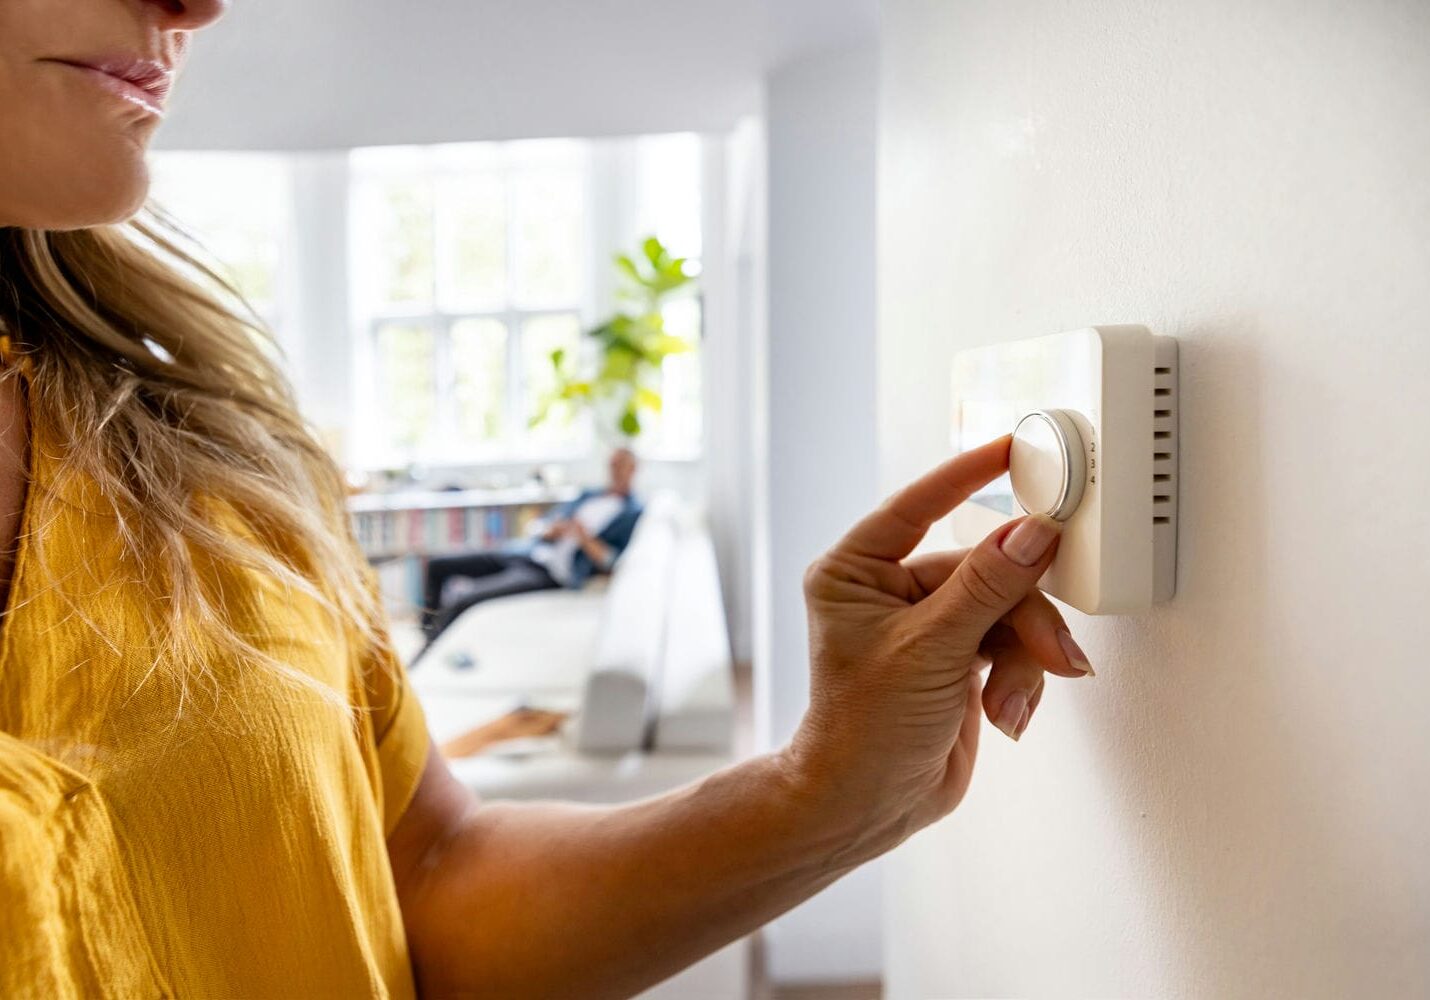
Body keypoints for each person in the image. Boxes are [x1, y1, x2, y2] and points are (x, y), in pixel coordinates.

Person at [0, 3, 1096, 998]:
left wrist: (823, 794)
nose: (199, 4)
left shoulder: (211, 468)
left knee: (472, 582)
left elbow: (426, 877)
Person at [419, 448, 643, 648]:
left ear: (633, 469)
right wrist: (550, 530)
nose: (615, 471)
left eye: (621, 465)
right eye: (612, 465)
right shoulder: (589, 495)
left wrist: (584, 538)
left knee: (464, 599)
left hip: (550, 573)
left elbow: (612, 561)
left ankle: (430, 652)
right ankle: (427, 633)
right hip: (526, 553)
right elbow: (542, 524)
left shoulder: (632, 512)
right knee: (439, 564)